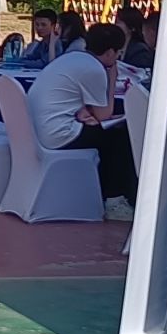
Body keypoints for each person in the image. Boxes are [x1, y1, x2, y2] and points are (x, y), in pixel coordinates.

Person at [25, 22, 137, 220]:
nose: (118, 58)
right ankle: (114, 201)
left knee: (105, 135)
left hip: (38, 129)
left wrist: (81, 112)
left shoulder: (71, 59)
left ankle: (108, 196)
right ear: (110, 52)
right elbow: (104, 115)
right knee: (119, 138)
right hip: (58, 135)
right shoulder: (95, 69)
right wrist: (112, 78)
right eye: (118, 53)